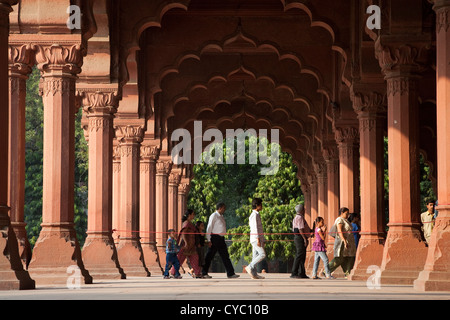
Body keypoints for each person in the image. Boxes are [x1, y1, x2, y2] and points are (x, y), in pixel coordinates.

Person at [202, 202, 240, 279]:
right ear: (219, 208)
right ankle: (203, 272)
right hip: (215, 238)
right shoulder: (214, 215)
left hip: (221, 238)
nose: (224, 210)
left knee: (225, 256)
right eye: (223, 208)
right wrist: (209, 239)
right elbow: (209, 227)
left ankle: (230, 273)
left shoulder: (221, 216)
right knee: (209, 256)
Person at [172, 209, 203, 278]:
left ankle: (197, 273)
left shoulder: (189, 223)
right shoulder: (186, 223)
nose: (194, 216)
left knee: (195, 258)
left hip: (191, 245)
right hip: (186, 245)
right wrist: (186, 243)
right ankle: (173, 273)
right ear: (189, 215)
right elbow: (183, 233)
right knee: (180, 259)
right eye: (193, 214)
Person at [328, 207, 357, 278]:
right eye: (346, 214)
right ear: (342, 213)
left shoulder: (345, 220)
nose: (347, 215)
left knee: (349, 258)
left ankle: (348, 273)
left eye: (348, 214)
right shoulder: (339, 220)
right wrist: (344, 240)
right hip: (342, 242)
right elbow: (339, 230)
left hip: (350, 243)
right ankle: (327, 270)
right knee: (339, 258)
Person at [245, 198, 266, 280]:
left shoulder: (257, 214)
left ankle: (254, 274)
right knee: (262, 254)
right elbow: (255, 228)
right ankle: (250, 266)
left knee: (255, 257)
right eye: (261, 204)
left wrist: (262, 239)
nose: (262, 206)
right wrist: (258, 239)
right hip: (255, 238)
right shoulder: (254, 215)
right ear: (257, 205)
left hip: (258, 238)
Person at [290, 203, 311, 279]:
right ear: (302, 210)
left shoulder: (299, 217)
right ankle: (294, 272)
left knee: (302, 256)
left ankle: (301, 273)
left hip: (299, 237)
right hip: (299, 237)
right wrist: (304, 239)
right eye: (304, 209)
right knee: (299, 255)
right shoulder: (299, 217)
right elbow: (300, 229)